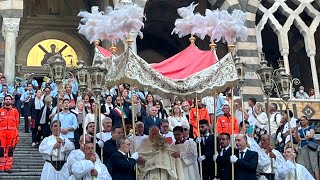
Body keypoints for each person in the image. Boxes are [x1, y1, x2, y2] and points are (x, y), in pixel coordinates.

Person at [0, 95, 20, 173]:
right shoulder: (0, 110)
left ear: (11, 101)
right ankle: (1, 167)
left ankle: (8, 167)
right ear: (4, 100)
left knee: (10, 150)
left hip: (12, 133)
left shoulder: (15, 111)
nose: (8, 100)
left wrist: (16, 135)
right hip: (1, 133)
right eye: (6, 99)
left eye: (9, 99)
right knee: (1, 150)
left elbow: (17, 123)